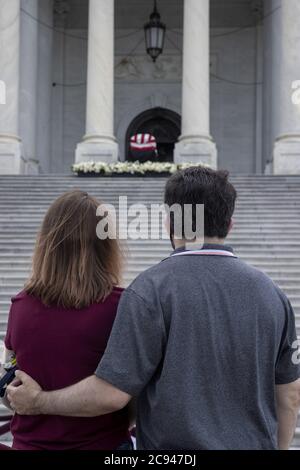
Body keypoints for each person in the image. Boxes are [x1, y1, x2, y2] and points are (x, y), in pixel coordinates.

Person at [7, 167, 300, 450]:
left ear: (169, 223)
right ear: (230, 224)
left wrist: (39, 402)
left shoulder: (148, 290)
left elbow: (114, 392)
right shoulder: (274, 296)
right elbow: (289, 395)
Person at [1, 190, 131, 450]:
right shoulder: (121, 306)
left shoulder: (21, 305)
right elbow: (126, 396)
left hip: (30, 444)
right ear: (106, 245)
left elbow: (11, 383)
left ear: (47, 243)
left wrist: (34, 399)